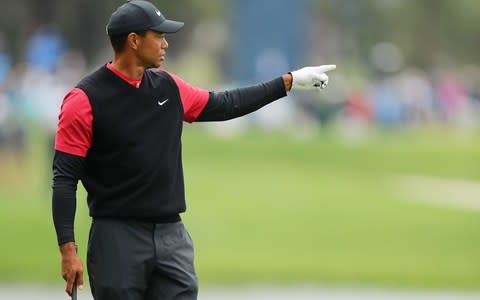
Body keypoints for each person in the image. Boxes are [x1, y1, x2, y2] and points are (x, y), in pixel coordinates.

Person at [51, 1, 336, 299]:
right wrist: (68, 249)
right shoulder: (84, 100)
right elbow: (64, 180)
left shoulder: (168, 87)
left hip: (171, 235)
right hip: (117, 238)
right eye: (158, 36)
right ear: (134, 41)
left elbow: (224, 104)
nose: (165, 43)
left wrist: (287, 82)